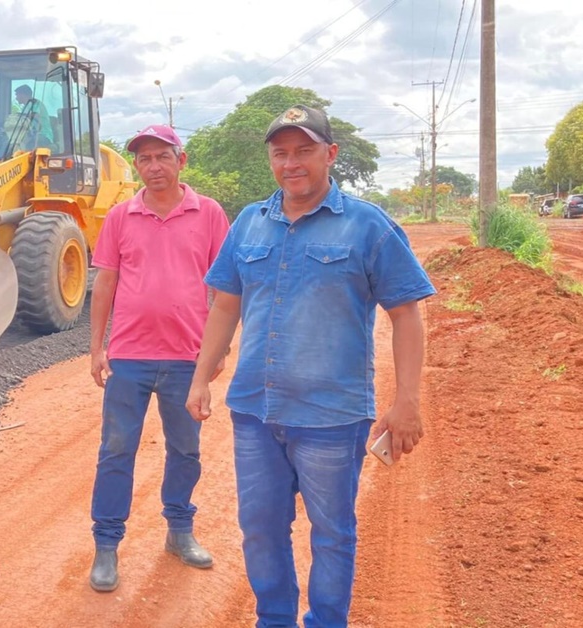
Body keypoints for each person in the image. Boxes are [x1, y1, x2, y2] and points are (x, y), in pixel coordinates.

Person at [186, 104, 436, 627]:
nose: (291, 162)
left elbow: (406, 314)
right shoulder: (249, 222)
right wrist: (200, 376)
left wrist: (407, 401)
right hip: (255, 409)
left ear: (331, 154)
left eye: (304, 150)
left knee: (332, 533)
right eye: (281, 153)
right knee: (259, 528)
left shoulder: (367, 226)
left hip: (331, 417)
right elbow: (226, 304)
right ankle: (274, 619)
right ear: (271, 160)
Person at [86, 124, 231, 592]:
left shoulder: (208, 213)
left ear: (181, 160)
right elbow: (105, 282)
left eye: (162, 157)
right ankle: (106, 546)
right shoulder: (120, 216)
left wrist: (219, 349)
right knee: (115, 451)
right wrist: (96, 346)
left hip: (188, 358)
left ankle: (179, 531)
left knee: (185, 449)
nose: (153, 166)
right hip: (128, 357)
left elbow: (225, 287)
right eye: (144, 159)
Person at [11, 84, 54, 151]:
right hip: (31, 134)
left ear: (23, 94)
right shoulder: (26, 107)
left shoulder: (36, 104)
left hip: (43, 135)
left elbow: (36, 116)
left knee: (30, 144)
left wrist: (21, 116)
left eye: (17, 95)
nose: (16, 98)